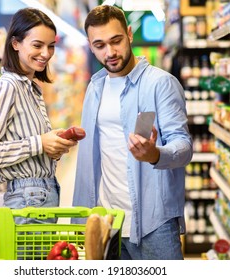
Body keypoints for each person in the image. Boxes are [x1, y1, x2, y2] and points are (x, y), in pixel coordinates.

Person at [72, 5, 193, 260]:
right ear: (90, 46)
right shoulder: (94, 88)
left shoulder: (161, 83)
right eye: (100, 45)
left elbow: (183, 146)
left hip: (153, 223)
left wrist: (155, 154)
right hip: (107, 221)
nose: (110, 52)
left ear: (128, 34)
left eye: (116, 41)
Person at [0, 8, 77, 224]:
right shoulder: (7, 87)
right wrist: (39, 143)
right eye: (37, 45)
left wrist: (52, 144)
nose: (45, 53)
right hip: (27, 197)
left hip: (42, 192)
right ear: (16, 43)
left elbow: (29, 143)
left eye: (51, 46)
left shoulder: (30, 88)